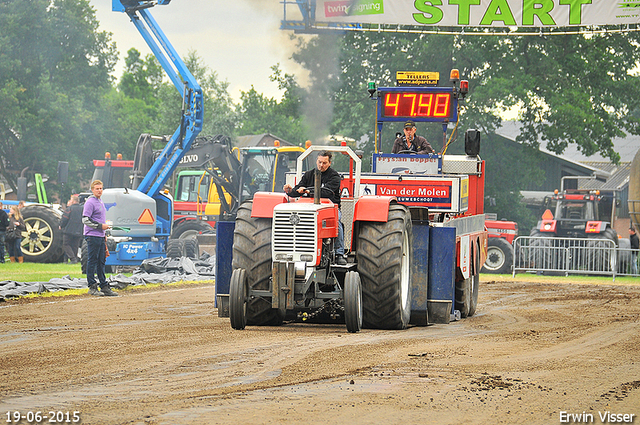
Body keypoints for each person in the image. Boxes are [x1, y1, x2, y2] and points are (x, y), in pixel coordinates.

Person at [283, 151, 346, 265]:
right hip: (309, 207)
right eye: (319, 162)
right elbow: (298, 189)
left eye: (324, 163)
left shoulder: (334, 176)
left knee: (337, 222)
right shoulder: (308, 174)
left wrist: (307, 190)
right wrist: (290, 191)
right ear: (316, 161)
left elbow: (328, 192)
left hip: (330, 207)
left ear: (329, 163)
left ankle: (339, 252)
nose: (321, 165)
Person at [83, 180, 118, 296]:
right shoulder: (90, 202)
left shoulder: (100, 201)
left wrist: (104, 234)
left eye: (101, 188)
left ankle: (103, 285)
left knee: (101, 261)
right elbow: (85, 219)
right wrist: (100, 227)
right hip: (92, 235)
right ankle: (92, 286)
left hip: (100, 236)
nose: (99, 191)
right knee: (92, 261)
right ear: (92, 190)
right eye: (97, 189)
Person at [60, 194, 83, 264]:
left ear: (73, 201)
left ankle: (73, 259)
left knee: (66, 244)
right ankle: (73, 258)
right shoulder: (83, 209)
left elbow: (64, 219)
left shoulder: (69, 209)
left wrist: (61, 225)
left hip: (69, 230)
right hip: (79, 230)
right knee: (75, 245)